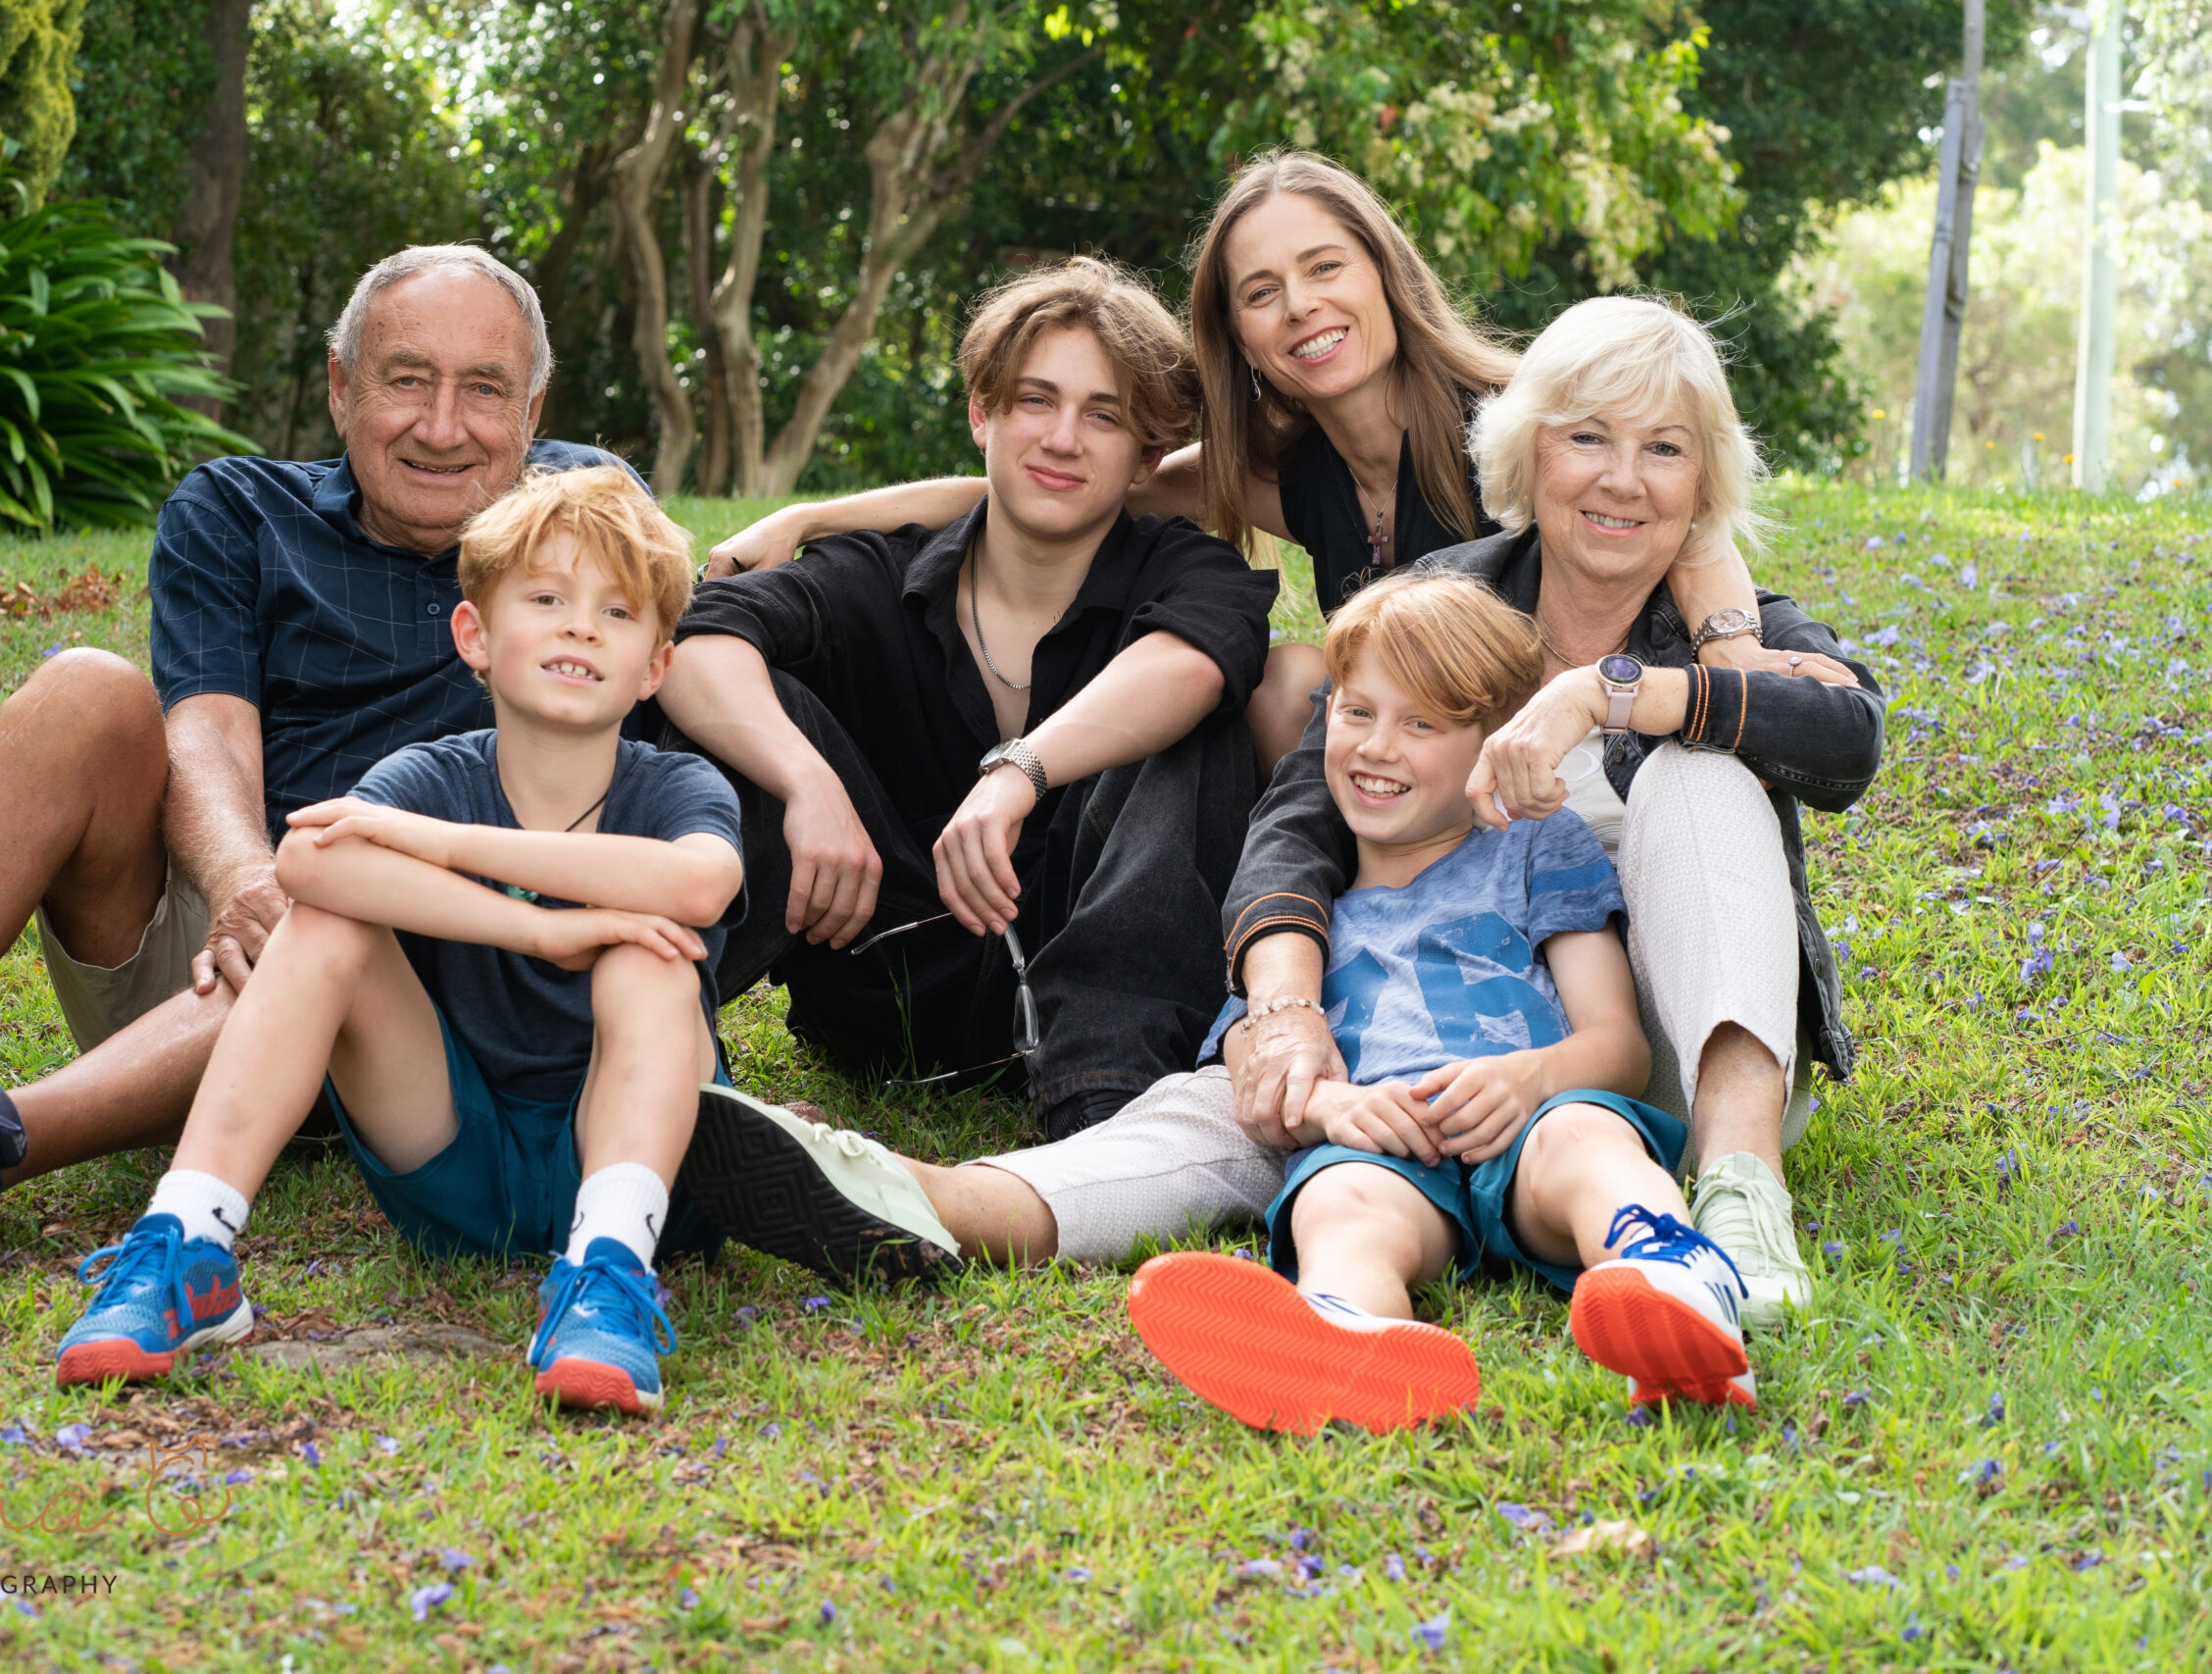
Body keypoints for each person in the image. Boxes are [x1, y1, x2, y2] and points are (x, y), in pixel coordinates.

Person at [680, 296, 1882, 1324]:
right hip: (1395, 1046)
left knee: (1701, 767)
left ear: (1702, 480)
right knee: (1230, 1108)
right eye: (1587, 439)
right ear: (1531, 454)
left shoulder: (1737, 630)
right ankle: (931, 1200)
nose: (1621, 479)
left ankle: (1735, 1193)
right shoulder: (1441, 603)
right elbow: (1300, 811)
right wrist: (1286, 1014)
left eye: (1664, 451)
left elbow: (1846, 739)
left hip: (1617, 1067)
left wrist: (1609, 693)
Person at [0, 244, 634, 1259]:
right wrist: (245, 877)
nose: (442, 427)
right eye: (406, 380)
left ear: (534, 411)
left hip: (437, 986)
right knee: (87, 689)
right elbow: (206, 727)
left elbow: (667, 678)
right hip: (204, 963)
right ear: (340, 385)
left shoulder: (584, 521)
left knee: (371, 884)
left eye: (484, 390)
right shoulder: (238, 509)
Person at [699, 152, 1796, 775]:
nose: (1301, 307)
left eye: (1324, 268)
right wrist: (813, 517)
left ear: (1383, 273)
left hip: (1568, 745)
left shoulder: (1508, 419)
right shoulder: (1285, 472)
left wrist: (1733, 642)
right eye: (1260, 292)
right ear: (1236, 333)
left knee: (1295, 677)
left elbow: (1673, 509)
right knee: (1284, 682)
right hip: (1417, 761)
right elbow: (1062, 490)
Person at [54, 467, 748, 1417]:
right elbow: (309, 866)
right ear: (476, 637)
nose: (581, 627)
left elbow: (699, 882)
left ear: (654, 667)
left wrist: (442, 847)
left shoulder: (674, 789)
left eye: (617, 613)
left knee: (648, 947)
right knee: (327, 920)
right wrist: (541, 931)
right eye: (546, 599)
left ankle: (608, 1273)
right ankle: (190, 1244)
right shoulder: (429, 773)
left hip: (659, 1169)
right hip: (455, 1162)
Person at [642, 256, 1277, 1176]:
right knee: (740, 714)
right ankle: (638, 1050)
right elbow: (695, 639)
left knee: (1199, 720)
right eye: (1035, 401)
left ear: (1145, 459)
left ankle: (1103, 1118)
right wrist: (805, 779)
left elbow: (1196, 658)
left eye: (1102, 415)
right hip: (884, 975)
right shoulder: (880, 569)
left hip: (1091, 968)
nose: (1062, 438)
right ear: (983, 413)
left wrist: (1019, 770)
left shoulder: (1187, 571)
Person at [1122, 572, 1749, 1436]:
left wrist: (1532, 1080)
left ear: (1493, 740)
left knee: (1586, 1139)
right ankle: (1349, 1333)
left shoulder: (1533, 847)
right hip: (1392, 1151)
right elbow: (1258, 1057)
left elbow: (1619, 1043)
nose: (1378, 746)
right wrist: (1338, 1106)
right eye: (1356, 711)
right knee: (1338, 1204)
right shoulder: (1300, 904)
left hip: (1529, 1128)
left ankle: (1673, 1280)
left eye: (1421, 723)